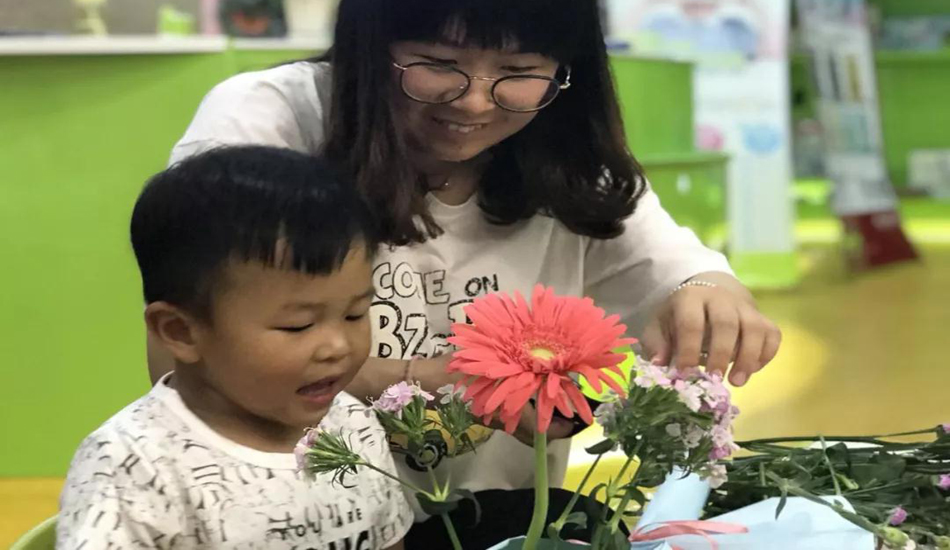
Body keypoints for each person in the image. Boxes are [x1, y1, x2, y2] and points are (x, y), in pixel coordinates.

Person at [158, 0, 782, 545]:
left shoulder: (569, 165)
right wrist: (442, 382)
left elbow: (685, 275)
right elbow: (181, 361)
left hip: (498, 524)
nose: (476, 100)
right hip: (288, 526)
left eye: (519, 72)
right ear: (369, 45)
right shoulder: (269, 123)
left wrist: (710, 294)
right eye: (438, 63)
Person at [58, 146, 412, 549]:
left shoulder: (353, 423)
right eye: (297, 325)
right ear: (180, 332)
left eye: (354, 314)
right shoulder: (132, 465)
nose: (337, 346)